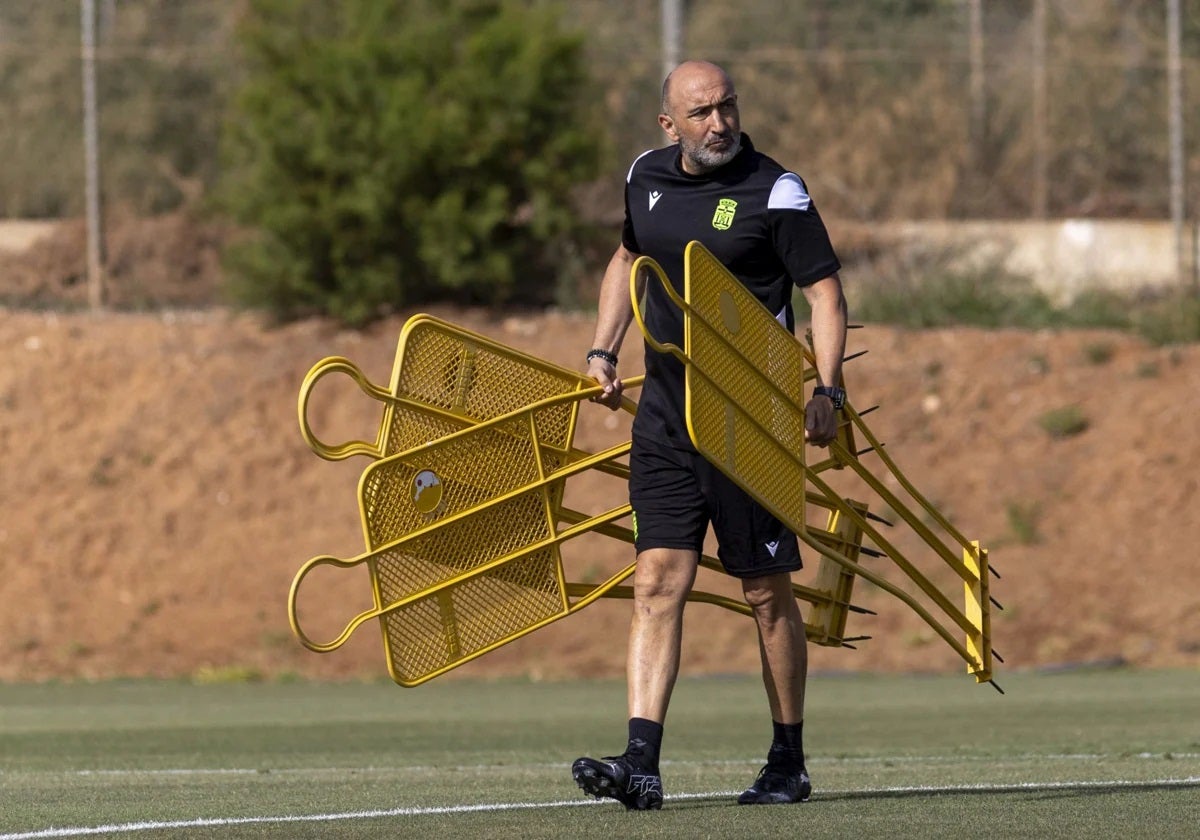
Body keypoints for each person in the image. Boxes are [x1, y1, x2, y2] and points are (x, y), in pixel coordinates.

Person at [571, 60, 848, 810]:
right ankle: (640, 763)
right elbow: (627, 259)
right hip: (666, 417)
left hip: (749, 420)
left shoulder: (777, 190)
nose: (719, 123)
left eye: (727, 107)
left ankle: (787, 760)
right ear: (670, 125)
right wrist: (603, 350)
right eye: (700, 113)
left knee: (763, 592)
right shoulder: (644, 177)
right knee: (658, 581)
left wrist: (828, 390)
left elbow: (822, 292)